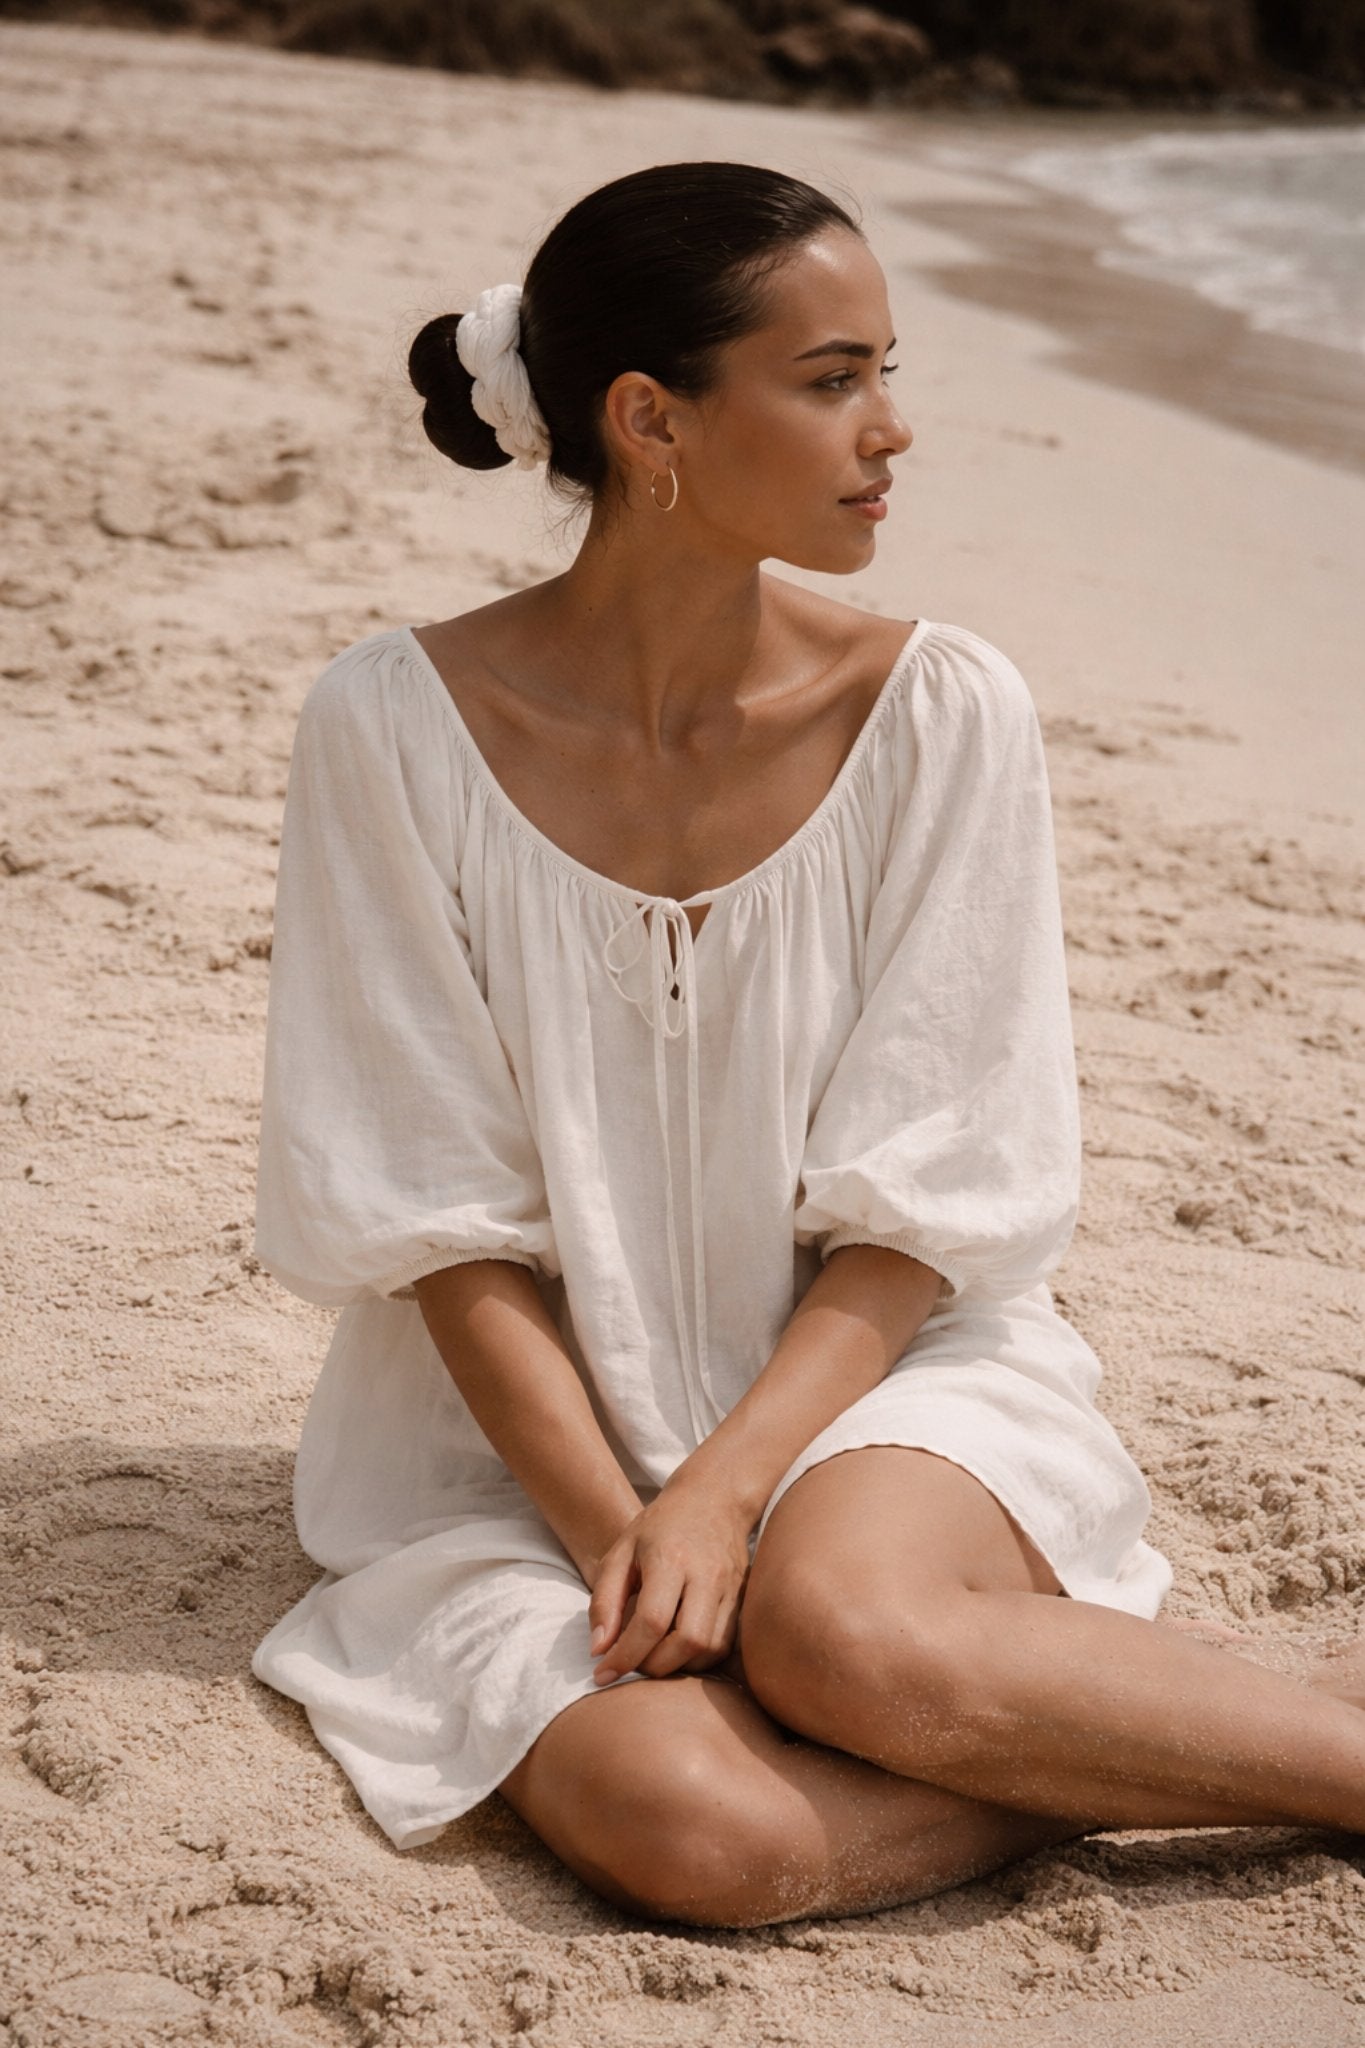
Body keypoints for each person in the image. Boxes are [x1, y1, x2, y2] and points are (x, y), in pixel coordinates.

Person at [250, 161, 1365, 1928]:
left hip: (886, 1394)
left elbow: (930, 1196)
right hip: (508, 1454)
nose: (893, 429)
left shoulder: (940, 711)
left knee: (832, 1634)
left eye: (886, 371)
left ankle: (1282, 1756)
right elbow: (428, 1210)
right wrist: (628, 1530)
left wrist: (729, 1498)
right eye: (833, 378)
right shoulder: (389, 725)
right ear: (647, 419)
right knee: (715, 1840)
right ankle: (1097, 1726)